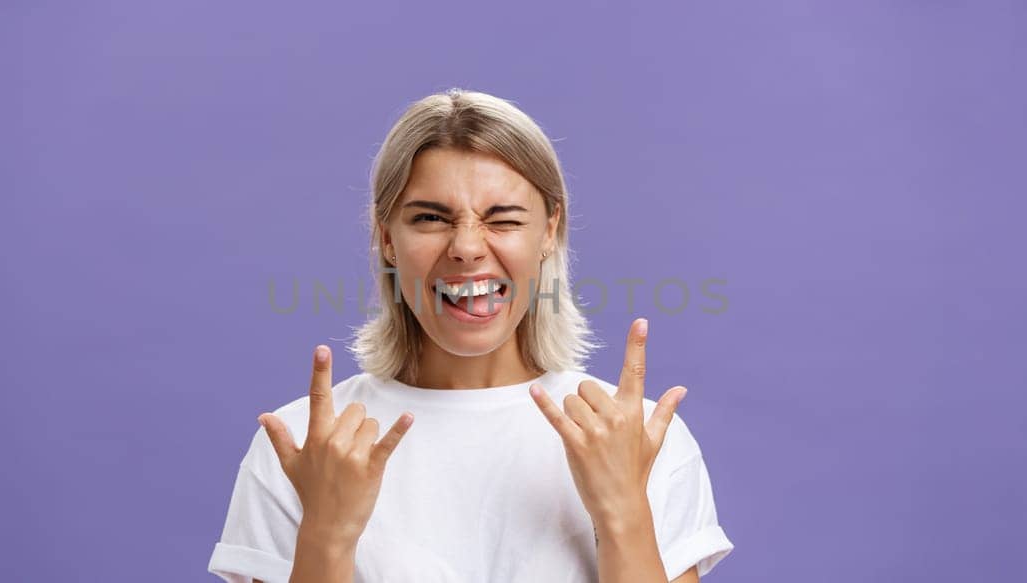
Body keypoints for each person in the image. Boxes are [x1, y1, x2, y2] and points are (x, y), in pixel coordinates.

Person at [207, 89, 733, 582]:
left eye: (501, 219)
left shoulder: (632, 440)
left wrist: (623, 513)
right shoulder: (307, 446)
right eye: (431, 218)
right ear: (387, 238)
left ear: (548, 231)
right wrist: (326, 535)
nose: (466, 248)